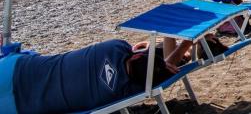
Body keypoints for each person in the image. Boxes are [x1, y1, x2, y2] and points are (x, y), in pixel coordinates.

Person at [0, 35, 213, 113]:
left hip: (16, 69)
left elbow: (156, 65)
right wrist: (185, 45)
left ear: (138, 56)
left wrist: (186, 42)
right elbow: (155, 74)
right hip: (20, 108)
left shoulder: (115, 48)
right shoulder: (127, 90)